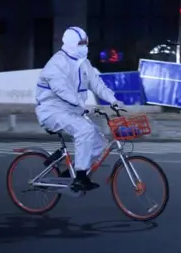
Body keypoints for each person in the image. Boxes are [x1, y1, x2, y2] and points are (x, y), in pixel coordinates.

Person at [35, 26, 123, 192]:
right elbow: (62, 90)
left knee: (100, 144)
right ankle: (81, 177)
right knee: (85, 130)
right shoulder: (56, 63)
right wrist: (83, 105)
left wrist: (113, 100)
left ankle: (71, 173)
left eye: (86, 43)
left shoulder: (84, 64)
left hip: (73, 111)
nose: (85, 46)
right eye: (81, 43)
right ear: (70, 43)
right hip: (52, 111)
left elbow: (97, 84)